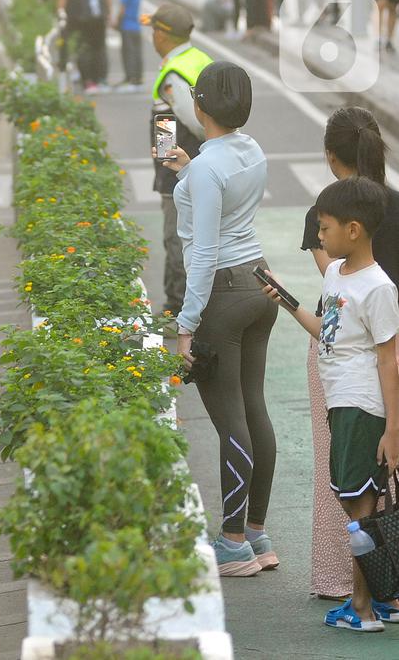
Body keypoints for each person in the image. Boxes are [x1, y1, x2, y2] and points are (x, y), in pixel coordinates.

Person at [263, 177, 399, 630]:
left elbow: (388, 360)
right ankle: (369, 602)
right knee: (353, 502)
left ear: (354, 230)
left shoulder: (379, 288)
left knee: (359, 506)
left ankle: (364, 608)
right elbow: (327, 330)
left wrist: (392, 429)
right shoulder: (336, 274)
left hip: (362, 406)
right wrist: (287, 302)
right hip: (340, 403)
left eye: (324, 229)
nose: (318, 237)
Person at [159, 61, 278, 577]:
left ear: (198, 107)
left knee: (230, 419)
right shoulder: (247, 151)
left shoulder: (208, 169)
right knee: (254, 409)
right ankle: (255, 534)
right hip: (259, 283)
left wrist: (186, 325)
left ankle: (231, 544)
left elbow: (204, 253)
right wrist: (188, 172)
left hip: (223, 297)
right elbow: (222, 200)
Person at [299, 107, 398, 600]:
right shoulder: (394, 204)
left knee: (340, 473)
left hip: (345, 355)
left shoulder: (329, 210)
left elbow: (336, 283)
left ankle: (343, 582)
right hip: (389, 343)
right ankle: (390, 585)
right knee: (389, 469)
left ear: (331, 157)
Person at [145, 3, 210, 317]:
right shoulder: (197, 59)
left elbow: (195, 123)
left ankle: (177, 309)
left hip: (180, 170)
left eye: (153, 30)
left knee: (176, 238)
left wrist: (164, 157)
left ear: (161, 34)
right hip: (196, 166)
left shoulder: (174, 72)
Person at [56, 0, 110, 93]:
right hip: (97, 17)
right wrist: (108, 13)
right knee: (98, 48)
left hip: (77, 17)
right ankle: (101, 80)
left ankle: (88, 81)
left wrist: (60, 11)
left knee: (82, 47)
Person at [114, 0, 142, 90]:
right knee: (137, 53)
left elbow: (122, 10)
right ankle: (138, 77)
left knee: (127, 53)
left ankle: (130, 78)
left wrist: (115, 21)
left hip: (126, 25)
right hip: (136, 25)